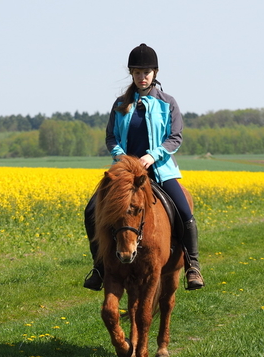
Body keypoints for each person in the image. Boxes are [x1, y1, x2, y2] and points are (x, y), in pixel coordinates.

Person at [84, 43, 205, 291]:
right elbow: (111, 137)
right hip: (126, 173)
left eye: (146, 72)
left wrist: (153, 155)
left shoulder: (167, 102)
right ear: (132, 74)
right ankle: (99, 267)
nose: (142, 77)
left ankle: (192, 265)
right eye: (137, 72)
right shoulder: (120, 104)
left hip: (159, 169)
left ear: (155, 73)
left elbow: (175, 137)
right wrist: (121, 156)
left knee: (184, 212)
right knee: (91, 210)